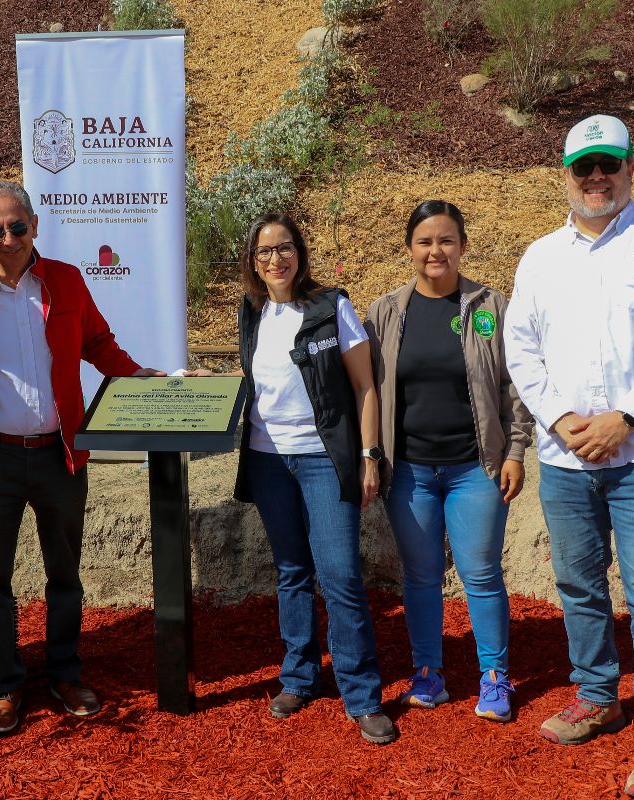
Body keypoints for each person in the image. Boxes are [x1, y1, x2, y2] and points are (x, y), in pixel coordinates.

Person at [503, 114, 634, 800]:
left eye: (610, 166)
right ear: (564, 175)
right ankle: (597, 694)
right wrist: (565, 420)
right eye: (584, 168)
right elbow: (520, 350)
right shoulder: (539, 258)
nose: (597, 178)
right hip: (567, 458)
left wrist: (625, 417)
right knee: (579, 586)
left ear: (630, 170)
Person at [0, 181, 164, 736]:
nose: (10, 237)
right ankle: (5, 685)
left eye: (19, 226)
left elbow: (98, 343)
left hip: (58, 454)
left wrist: (143, 377)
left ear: (35, 224)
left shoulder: (65, 279)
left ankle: (65, 673)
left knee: (65, 573)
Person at [231, 212, 395, 745]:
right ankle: (299, 676)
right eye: (264, 252)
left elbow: (365, 387)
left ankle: (362, 694)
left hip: (325, 459)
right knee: (292, 572)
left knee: (342, 575)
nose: (275, 259)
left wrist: (369, 456)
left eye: (284, 248)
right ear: (253, 263)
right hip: (267, 460)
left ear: (299, 253)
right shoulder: (251, 313)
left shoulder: (332, 308)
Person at [365, 200, 531, 723]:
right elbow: (368, 388)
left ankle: (494, 676)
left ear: (461, 245)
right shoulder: (387, 311)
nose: (435, 251)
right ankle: (429, 672)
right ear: (409, 248)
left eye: (446, 240)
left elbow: (514, 385)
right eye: (425, 241)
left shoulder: (488, 307)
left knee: (481, 574)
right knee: (420, 575)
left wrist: (516, 450)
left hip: (474, 468)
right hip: (409, 471)